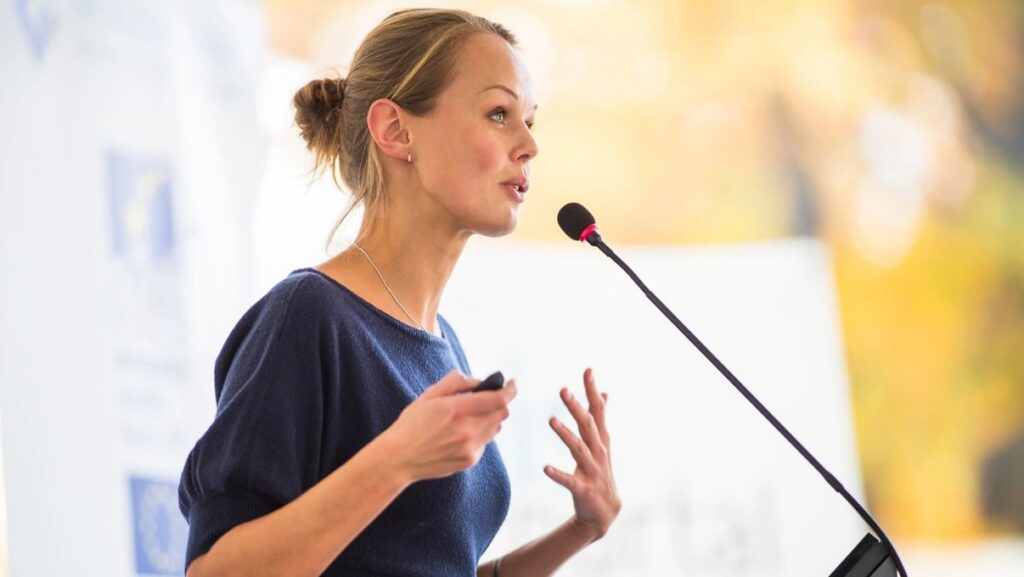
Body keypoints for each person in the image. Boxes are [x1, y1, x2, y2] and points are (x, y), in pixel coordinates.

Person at [178, 8, 621, 577]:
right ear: (394, 130)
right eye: (499, 113)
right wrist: (395, 461)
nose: (530, 144)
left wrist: (582, 530)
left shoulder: (444, 344)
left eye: (531, 120)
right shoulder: (309, 318)